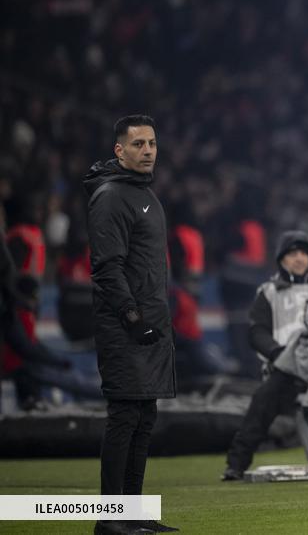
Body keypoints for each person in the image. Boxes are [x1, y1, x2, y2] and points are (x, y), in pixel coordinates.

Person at [84, 115, 177, 535]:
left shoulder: (144, 195)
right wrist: (132, 317)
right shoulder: (111, 197)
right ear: (119, 150)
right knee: (124, 417)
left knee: (143, 419)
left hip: (151, 326)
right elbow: (106, 268)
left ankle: (134, 514)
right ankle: (109, 520)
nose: (148, 151)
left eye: (152, 143)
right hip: (125, 327)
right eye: (138, 144)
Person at [221, 230, 308, 480]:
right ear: (281, 258)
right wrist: (277, 353)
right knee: (262, 403)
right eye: (293, 253)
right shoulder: (269, 291)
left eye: (304, 253)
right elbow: (257, 332)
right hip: (285, 367)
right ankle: (236, 464)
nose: (299, 258)